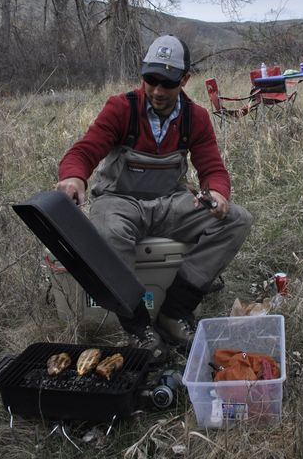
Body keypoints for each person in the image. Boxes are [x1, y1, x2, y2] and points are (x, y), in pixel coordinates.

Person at [56, 34, 253, 357]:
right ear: (143, 75)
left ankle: (175, 312)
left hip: (170, 203)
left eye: (168, 82)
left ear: (185, 80)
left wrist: (217, 193)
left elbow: (212, 168)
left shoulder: (196, 117)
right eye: (151, 80)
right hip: (118, 202)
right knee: (107, 231)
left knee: (237, 220)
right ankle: (137, 326)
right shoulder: (121, 108)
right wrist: (74, 178)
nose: (158, 91)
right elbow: (85, 150)